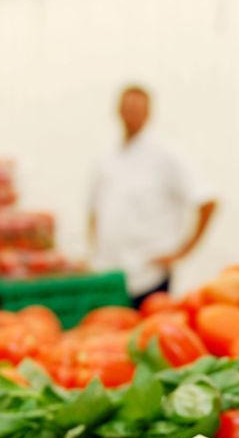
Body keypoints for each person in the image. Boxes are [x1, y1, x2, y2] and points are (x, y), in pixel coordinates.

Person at [89, 85, 217, 307]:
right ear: (117, 111)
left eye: (138, 109)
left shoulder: (165, 156)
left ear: (149, 114)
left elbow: (207, 200)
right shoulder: (107, 160)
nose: (131, 114)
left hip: (149, 277)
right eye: (127, 108)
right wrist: (95, 252)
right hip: (111, 275)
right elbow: (94, 210)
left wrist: (182, 252)